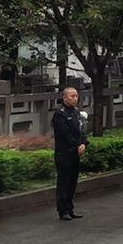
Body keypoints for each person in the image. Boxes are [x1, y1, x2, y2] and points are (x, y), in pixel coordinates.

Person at [52, 86, 88, 221]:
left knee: (73, 182)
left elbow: (82, 130)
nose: (74, 98)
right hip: (64, 153)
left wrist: (84, 143)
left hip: (76, 153)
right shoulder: (60, 114)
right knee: (64, 182)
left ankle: (70, 208)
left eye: (76, 96)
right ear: (64, 97)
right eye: (71, 96)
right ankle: (63, 210)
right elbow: (64, 134)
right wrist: (76, 145)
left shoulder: (77, 112)